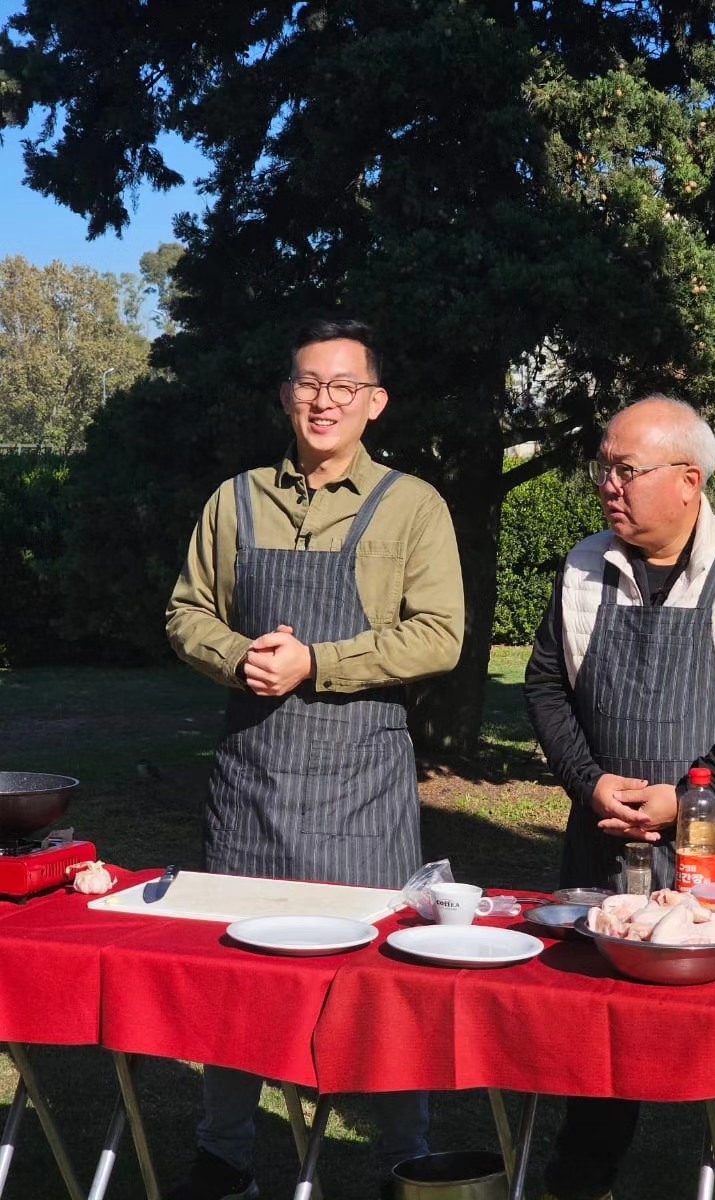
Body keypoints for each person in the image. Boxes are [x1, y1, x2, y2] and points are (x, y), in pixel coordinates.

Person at [165, 316, 465, 1200]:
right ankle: (223, 1161)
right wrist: (237, 657)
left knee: (383, 986)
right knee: (237, 985)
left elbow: (442, 635)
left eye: (343, 387)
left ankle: (408, 1165)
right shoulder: (236, 498)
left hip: (360, 790)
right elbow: (188, 611)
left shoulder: (414, 506)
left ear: (374, 403)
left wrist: (319, 662)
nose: (322, 401)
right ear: (286, 393)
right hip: (251, 780)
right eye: (307, 382)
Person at [523, 395, 715, 1200]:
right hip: (603, 849)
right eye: (604, 468)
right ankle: (579, 1183)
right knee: (596, 1031)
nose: (608, 485)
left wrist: (693, 794)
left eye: (626, 469)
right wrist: (589, 783)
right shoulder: (582, 567)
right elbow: (546, 687)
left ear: (688, 480)